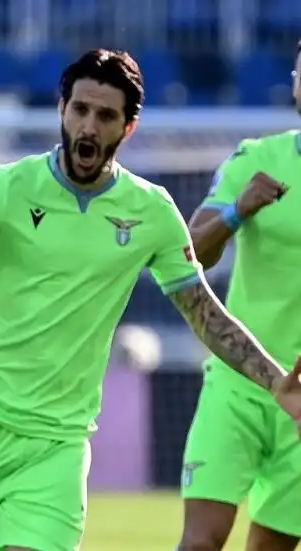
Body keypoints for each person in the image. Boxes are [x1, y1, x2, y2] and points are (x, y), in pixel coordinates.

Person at [0, 49, 301, 551]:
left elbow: (206, 314)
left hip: (58, 444)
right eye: (80, 109)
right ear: (62, 110)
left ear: (128, 127)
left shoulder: (152, 213)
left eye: (106, 116)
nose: (89, 126)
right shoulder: (8, 187)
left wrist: (277, 382)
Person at [177, 41, 301, 551]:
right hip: (240, 381)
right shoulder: (256, 159)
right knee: (200, 543)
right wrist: (237, 211)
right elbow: (191, 255)